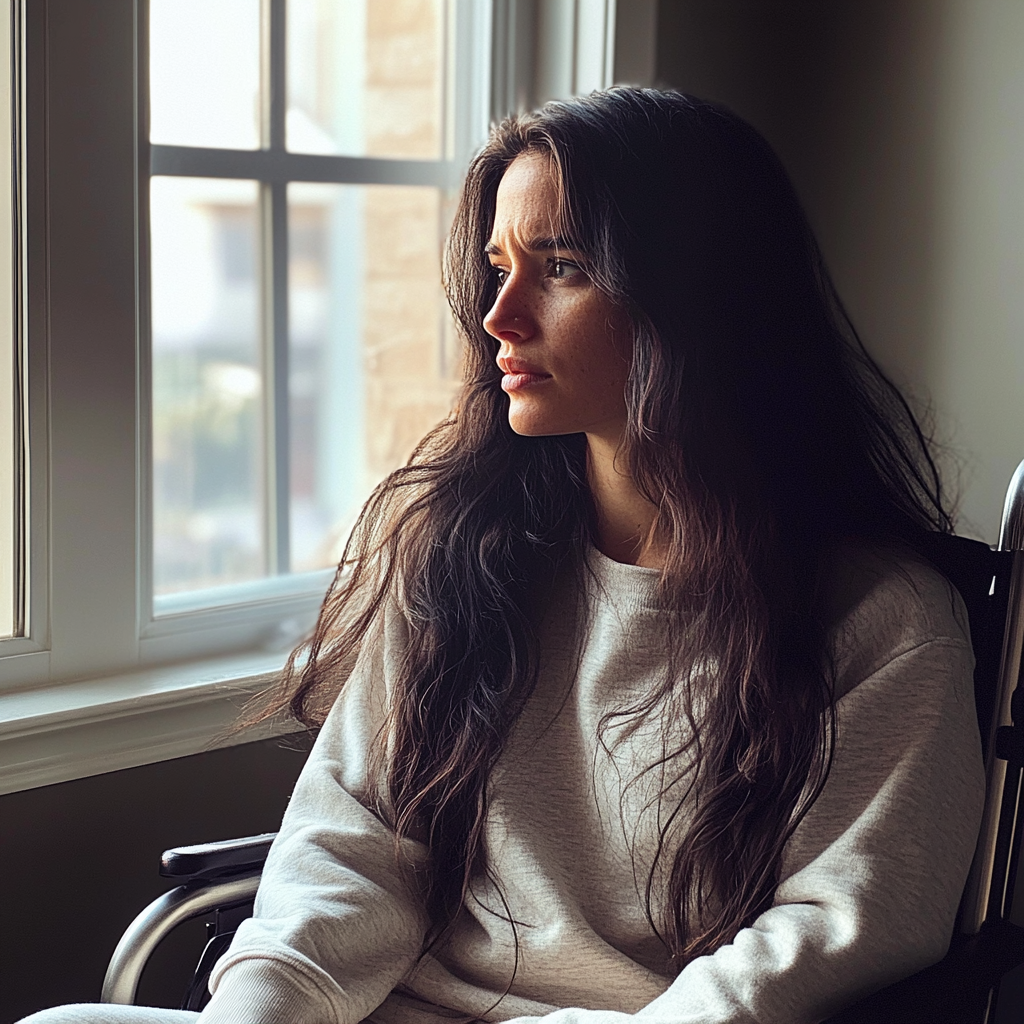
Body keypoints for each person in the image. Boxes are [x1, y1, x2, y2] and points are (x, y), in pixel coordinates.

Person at [24, 88, 985, 1024]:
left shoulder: (883, 622)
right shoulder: (468, 555)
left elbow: (832, 938)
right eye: (498, 265)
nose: (500, 316)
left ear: (700, 296)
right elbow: (353, 841)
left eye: (560, 267)